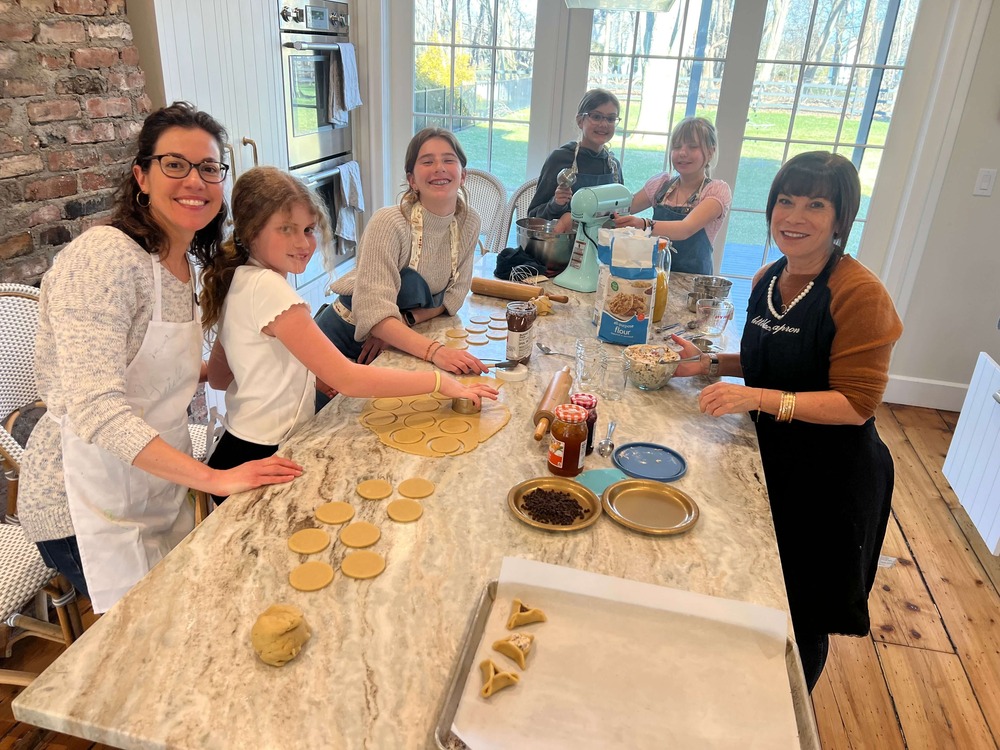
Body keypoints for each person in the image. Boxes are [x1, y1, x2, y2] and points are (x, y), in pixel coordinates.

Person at [16, 103, 303, 613]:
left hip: (156, 485)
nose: (195, 181)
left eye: (209, 168)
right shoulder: (105, 258)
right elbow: (95, 409)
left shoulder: (179, 262)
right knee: (152, 632)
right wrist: (216, 478)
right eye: (175, 164)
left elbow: (156, 372)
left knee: (189, 613)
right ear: (141, 177)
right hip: (84, 502)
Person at [671, 151, 903, 690]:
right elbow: (770, 359)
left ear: (841, 219)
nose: (794, 217)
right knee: (759, 585)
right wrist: (708, 364)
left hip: (831, 478)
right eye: (785, 201)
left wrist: (756, 398)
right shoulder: (769, 278)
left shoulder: (859, 294)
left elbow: (857, 404)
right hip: (771, 460)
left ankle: (789, 712)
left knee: (803, 614)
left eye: (815, 205)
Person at [199, 166, 498, 501]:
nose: (302, 243)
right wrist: (441, 383)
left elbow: (222, 377)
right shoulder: (271, 289)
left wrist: (301, 379)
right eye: (286, 229)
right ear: (251, 231)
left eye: (308, 229)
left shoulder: (239, 278)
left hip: (234, 448)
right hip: (264, 455)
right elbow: (349, 380)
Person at [314, 128, 489, 404]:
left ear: (463, 174)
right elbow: (374, 314)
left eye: (448, 159)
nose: (439, 168)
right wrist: (436, 351)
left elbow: (454, 296)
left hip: (394, 341)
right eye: (427, 161)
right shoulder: (389, 223)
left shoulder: (469, 221)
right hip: (341, 343)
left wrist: (400, 326)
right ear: (412, 180)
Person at [612, 117, 731, 275]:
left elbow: (685, 229)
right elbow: (623, 208)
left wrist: (643, 224)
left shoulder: (716, 191)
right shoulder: (660, 184)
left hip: (694, 284)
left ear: (710, 151)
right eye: (676, 146)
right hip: (655, 278)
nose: (682, 153)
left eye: (692, 147)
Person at [527, 88, 624, 235]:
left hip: (601, 246)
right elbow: (533, 217)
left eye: (610, 119)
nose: (604, 124)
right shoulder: (559, 159)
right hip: (562, 246)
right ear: (580, 121)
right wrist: (556, 204)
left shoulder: (613, 167)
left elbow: (621, 214)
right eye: (596, 117)